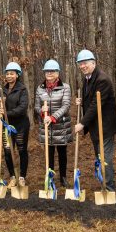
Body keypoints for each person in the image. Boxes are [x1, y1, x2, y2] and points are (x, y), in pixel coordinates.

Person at [74, 49, 116, 192]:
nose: (82, 66)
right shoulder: (87, 78)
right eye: (80, 64)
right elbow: (90, 101)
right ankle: (104, 184)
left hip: (105, 126)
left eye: (85, 63)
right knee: (99, 157)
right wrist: (81, 102)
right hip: (95, 126)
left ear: (93, 63)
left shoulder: (102, 79)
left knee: (104, 158)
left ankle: (109, 188)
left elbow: (95, 105)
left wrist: (82, 123)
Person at [35, 59, 72, 187]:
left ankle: (63, 177)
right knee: (48, 154)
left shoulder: (65, 87)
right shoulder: (40, 88)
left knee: (62, 153)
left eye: (52, 71)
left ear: (57, 73)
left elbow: (66, 105)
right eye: (47, 71)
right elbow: (36, 106)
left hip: (60, 126)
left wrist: (52, 117)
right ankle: (50, 177)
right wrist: (41, 111)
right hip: (46, 127)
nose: (49, 73)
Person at [0, 62, 30, 187]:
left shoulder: (22, 89)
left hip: (20, 125)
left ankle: (22, 177)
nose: (9, 76)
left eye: (12, 74)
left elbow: (23, 107)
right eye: (7, 73)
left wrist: (7, 113)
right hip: (6, 126)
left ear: (17, 75)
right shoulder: (1, 90)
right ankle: (13, 177)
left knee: (21, 150)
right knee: (8, 151)